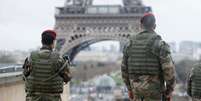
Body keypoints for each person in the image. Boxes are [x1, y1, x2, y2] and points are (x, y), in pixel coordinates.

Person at [121, 13, 176, 101]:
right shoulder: (160, 44)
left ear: (141, 25)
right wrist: (169, 91)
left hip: (136, 91)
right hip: (154, 92)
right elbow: (169, 70)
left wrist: (130, 89)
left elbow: (124, 70)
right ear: (154, 26)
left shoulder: (129, 44)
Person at [23, 30, 72, 101]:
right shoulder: (58, 58)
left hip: (33, 98)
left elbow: (24, 75)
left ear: (42, 42)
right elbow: (67, 78)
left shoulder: (31, 57)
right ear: (53, 42)